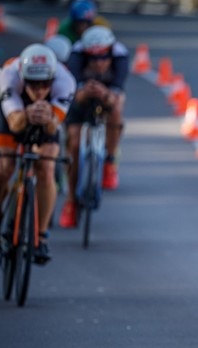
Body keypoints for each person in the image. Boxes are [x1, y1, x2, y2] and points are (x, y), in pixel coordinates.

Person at [0, 43, 76, 263]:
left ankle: (40, 236)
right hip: (12, 111)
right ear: (23, 78)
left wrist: (49, 119)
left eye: (45, 84)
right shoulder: (9, 75)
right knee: (3, 168)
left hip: (47, 113)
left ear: (53, 78)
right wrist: (25, 115)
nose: (39, 90)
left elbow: (53, 128)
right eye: (33, 84)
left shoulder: (66, 81)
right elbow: (14, 124)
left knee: (46, 167)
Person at [58, 25, 129, 229]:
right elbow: (73, 94)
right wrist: (85, 91)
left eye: (103, 57)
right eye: (93, 58)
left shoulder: (120, 55)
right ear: (86, 54)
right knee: (74, 142)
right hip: (80, 99)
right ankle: (71, 201)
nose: (99, 62)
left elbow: (117, 91)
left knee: (116, 106)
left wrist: (105, 95)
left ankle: (109, 160)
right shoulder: (76, 55)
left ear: (110, 51)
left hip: (108, 94)